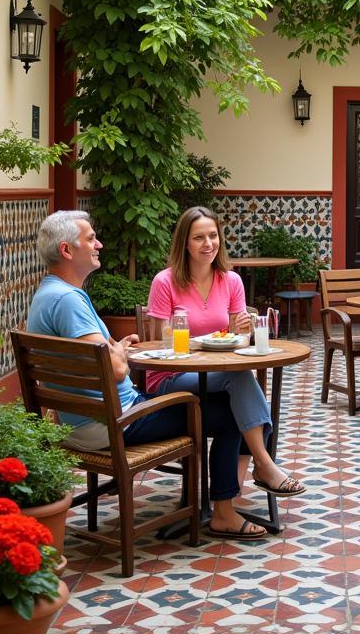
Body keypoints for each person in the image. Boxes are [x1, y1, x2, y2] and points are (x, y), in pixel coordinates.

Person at [26, 209, 258, 540]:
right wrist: (117, 353)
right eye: (91, 239)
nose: (99, 244)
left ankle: (224, 502)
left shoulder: (51, 294)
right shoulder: (68, 301)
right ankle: (223, 512)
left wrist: (114, 348)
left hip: (88, 418)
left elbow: (102, 357)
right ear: (66, 250)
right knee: (230, 411)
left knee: (226, 402)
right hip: (112, 422)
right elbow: (116, 368)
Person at [145, 206, 305, 538]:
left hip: (215, 376)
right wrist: (189, 337)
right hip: (170, 378)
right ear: (184, 243)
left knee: (239, 391)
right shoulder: (165, 282)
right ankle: (263, 464)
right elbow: (160, 343)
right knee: (240, 379)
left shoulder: (230, 280)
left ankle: (224, 508)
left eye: (213, 236)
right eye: (199, 237)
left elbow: (234, 340)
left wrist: (240, 328)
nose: (208, 244)